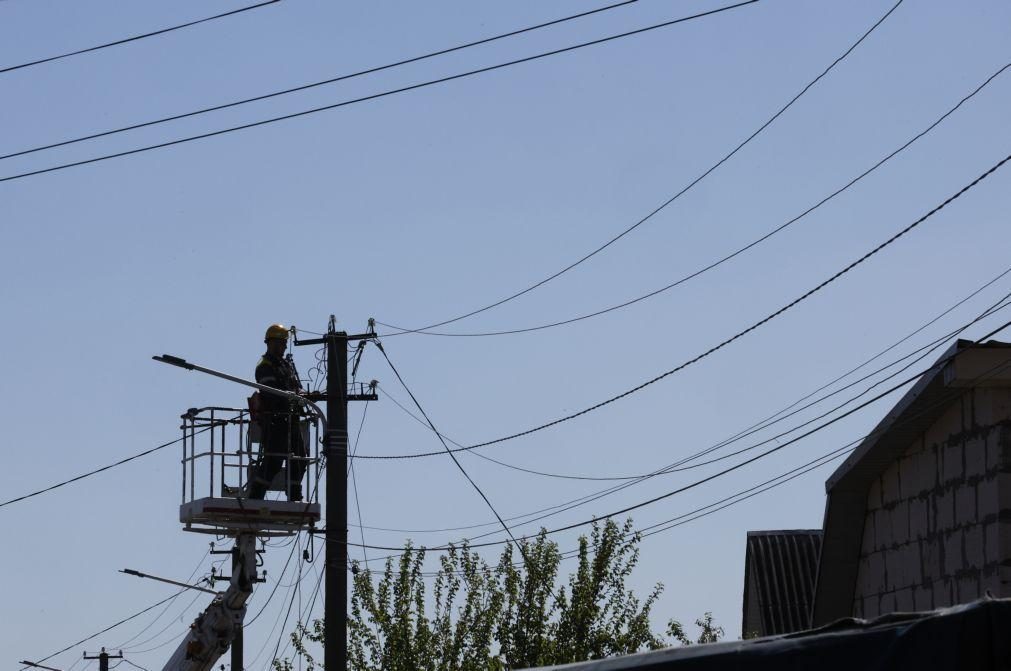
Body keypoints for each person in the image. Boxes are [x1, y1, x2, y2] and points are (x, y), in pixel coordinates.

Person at [248, 323, 307, 501]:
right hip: (275, 421)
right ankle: (255, 498)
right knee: (273, 461)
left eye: (284, 343)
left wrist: (302, 395)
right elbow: (271, 392)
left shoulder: (285, 365)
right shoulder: (265, 366)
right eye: (279, 343)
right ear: (269, 343)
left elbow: (294, 387)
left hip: (291, 420)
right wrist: (291, 396)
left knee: (299, 458)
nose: (282, 347)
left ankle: (294, 495)